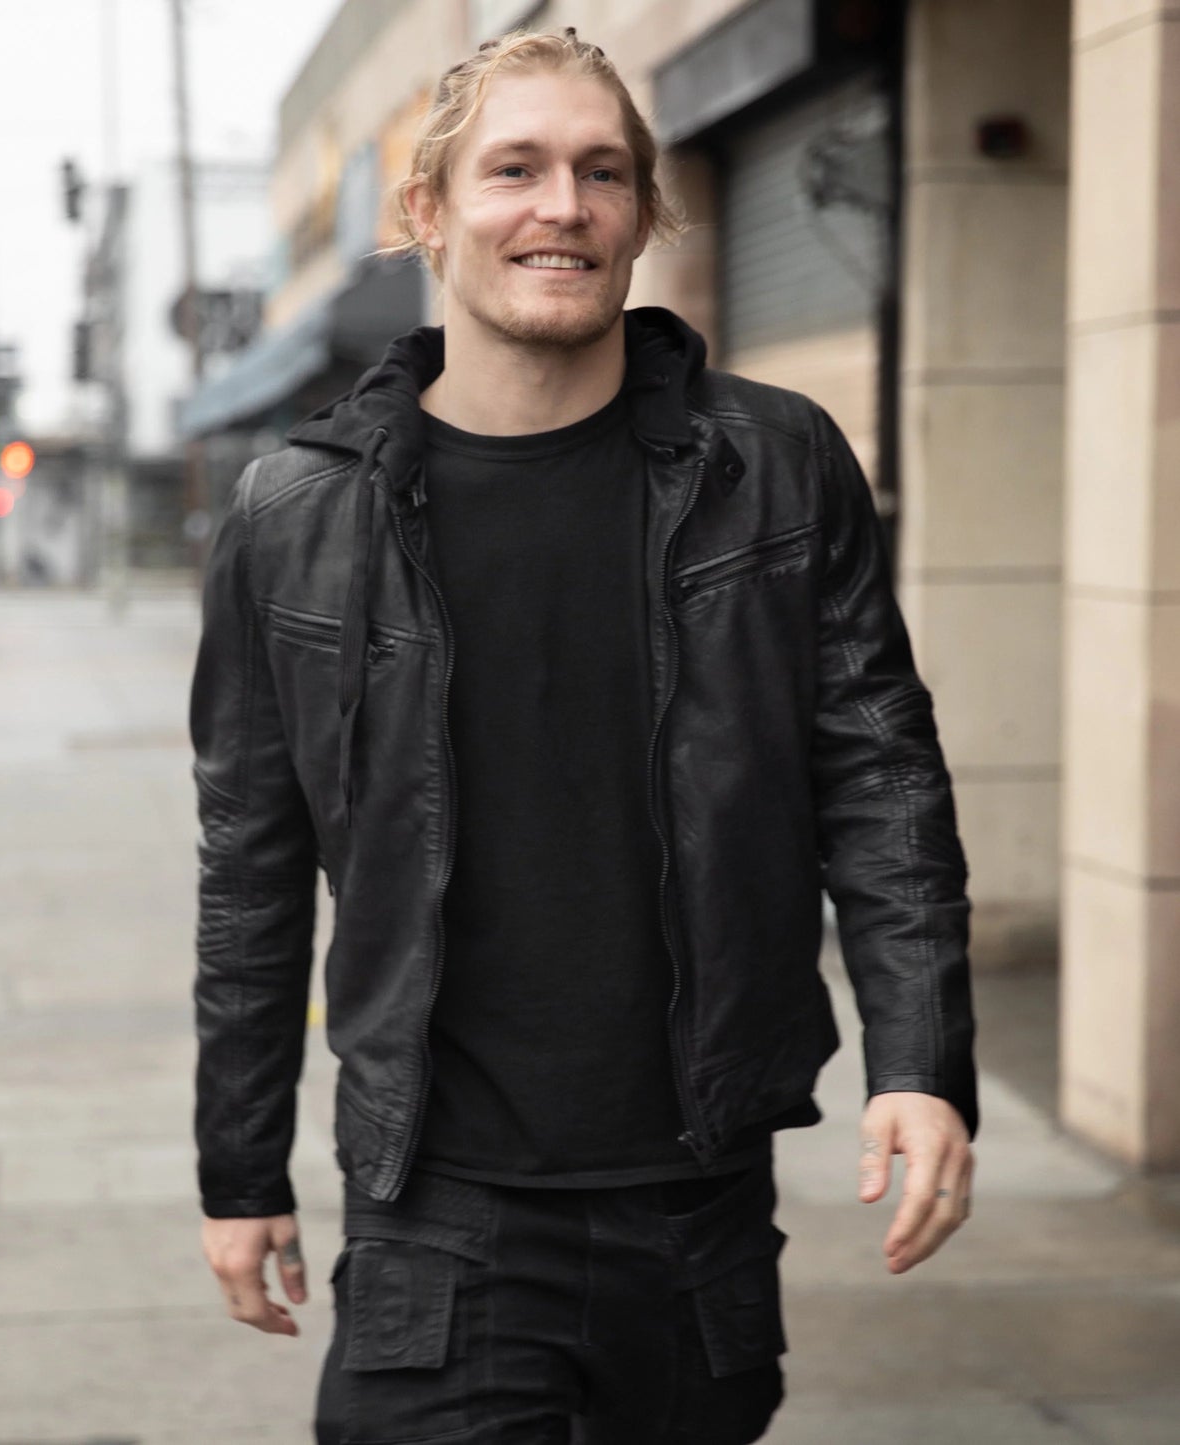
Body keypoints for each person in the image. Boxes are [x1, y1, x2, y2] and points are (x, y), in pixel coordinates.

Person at [190, 27, 978, 1444]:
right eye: (516, 168)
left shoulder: (776, 466)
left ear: (640, 212)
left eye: (600, 171)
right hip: (434, 1190)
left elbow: (880, 780)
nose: (562, 206)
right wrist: (237, 1166)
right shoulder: (292, 520)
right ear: (427, 212)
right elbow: (250, 864)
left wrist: (917, 1061)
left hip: (698, 1193)